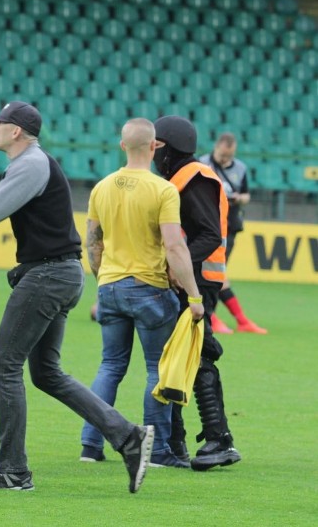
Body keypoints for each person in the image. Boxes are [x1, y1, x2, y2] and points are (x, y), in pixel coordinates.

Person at [0, 101, 154, 493]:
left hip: (48, 274)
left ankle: (14, 472)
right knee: (46, 373)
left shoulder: (31, 165)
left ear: (16, 131)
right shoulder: (30, 164)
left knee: (4, 367)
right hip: (60, 272)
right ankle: (127, 436)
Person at [79, 118, 204, 470]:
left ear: (122, 146)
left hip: (110, 285)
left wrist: (102, 281)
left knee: (110, 365)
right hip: (149, 287)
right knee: (156, 370)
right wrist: (194, 297)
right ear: (154, 147)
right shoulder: (163, 190)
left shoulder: (101, 187)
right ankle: (160, 450)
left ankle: (90, 444)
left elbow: (92, 241)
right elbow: (175, 246)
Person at [152, 115, 242, 471]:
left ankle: (217, 439)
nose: (153, 153)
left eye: (157, 146)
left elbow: (207, 235)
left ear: (169, 148)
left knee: (196, 357)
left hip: (199, 280)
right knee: (187, 355)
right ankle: (190, 440)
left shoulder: (195, 178)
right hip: (195, 278)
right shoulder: (182, 177)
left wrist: (178, 266)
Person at [198, 133, 267, 335]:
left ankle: (222, 318)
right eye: (222, 155)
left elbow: (246, 194)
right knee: (212, 274)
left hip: (230, 226)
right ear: (216, 147)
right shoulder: (202, 164)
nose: (225, 159)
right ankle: (215, 317)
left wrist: (238, 198)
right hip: (208, 226)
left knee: (218, 273)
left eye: (229, 156)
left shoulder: (240, 168)